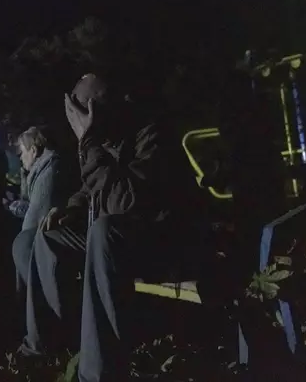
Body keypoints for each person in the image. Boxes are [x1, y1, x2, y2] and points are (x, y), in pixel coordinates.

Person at [15, 74, 209, 381]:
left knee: (104, 230)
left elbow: (125, 203)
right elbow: (92, 189)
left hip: (166, 248)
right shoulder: (107, 140)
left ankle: (98, 373)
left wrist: (89, 143)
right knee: (46, 235)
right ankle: (47, 345)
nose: (76, 126)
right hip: (122, 242)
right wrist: (72, 208)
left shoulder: (150, 136)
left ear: (97, 112)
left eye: (81, 116)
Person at [9, 127, 65, 294]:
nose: (20, 158)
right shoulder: (40, 169)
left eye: (22, 153)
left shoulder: (49, 169)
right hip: (45, 235)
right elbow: (28, 199)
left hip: (47, 238)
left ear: (33, 150)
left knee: (22, 246)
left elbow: (34, 217)